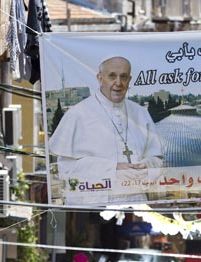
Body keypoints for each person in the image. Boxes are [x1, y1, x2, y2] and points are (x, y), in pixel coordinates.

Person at [48, 56, 163, 201]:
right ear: (100, 78)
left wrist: (146, 166)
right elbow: (66, 169)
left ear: (129, 80)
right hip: (92, 206)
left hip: (136, 202)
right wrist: (113, 168)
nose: (118, 83)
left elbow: (157, 158)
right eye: (112, 76)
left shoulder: (140, 113)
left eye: (124, 77)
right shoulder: (77, 114)